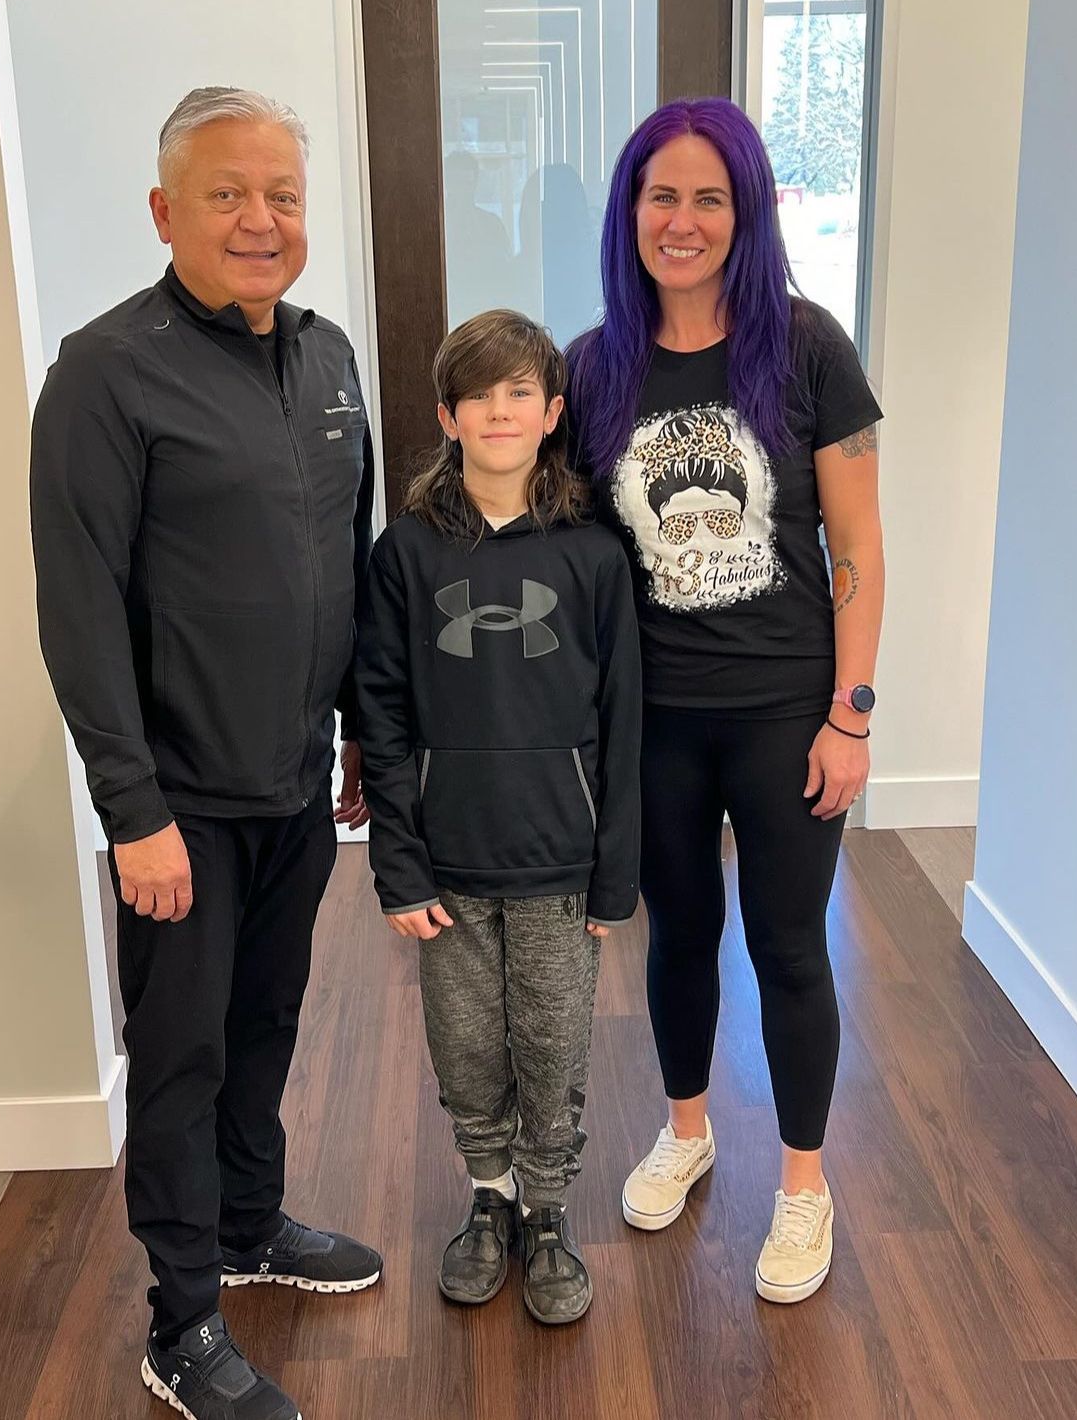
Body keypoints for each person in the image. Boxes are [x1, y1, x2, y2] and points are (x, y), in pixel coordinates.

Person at [30, 87, 382, 1420]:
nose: (260, 219)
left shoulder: (328, 355)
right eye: (228, 193)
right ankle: (180, 1322)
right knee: (177, 1056)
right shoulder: (105, 373)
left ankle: (249, 1223)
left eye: (283, 195)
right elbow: (77, 607)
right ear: (165, 210)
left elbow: (339, 565)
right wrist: (132, 811)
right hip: (179, 800)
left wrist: (354, 725)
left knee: (266, 1024)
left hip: (297, 779)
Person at [566, 98, 884, 1305]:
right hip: (657, 722)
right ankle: (688, 1128)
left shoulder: (807, 349)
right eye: (662, 196)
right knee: (680, 936)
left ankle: (804, 1186)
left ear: (745, 212)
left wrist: (850, 713)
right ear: (630, 213)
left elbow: (859, 545)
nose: (683, 220)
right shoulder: (593, 368)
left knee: (790, 946)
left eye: (711, 197)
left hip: (786, 715)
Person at [356, 310, 640, 1325]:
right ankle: (492, 1197)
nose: (501, 410)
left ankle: (550, 1208)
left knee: (555, 1042)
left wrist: (617, 872)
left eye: (522, 391)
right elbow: (379, 714)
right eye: (480, 394)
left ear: (554, 411)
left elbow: (623, 722)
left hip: (561, 861)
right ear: (448, 415)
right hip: (450, 861)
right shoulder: (407, 555)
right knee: (468, 1044)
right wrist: (399, 864)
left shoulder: (594, 559)